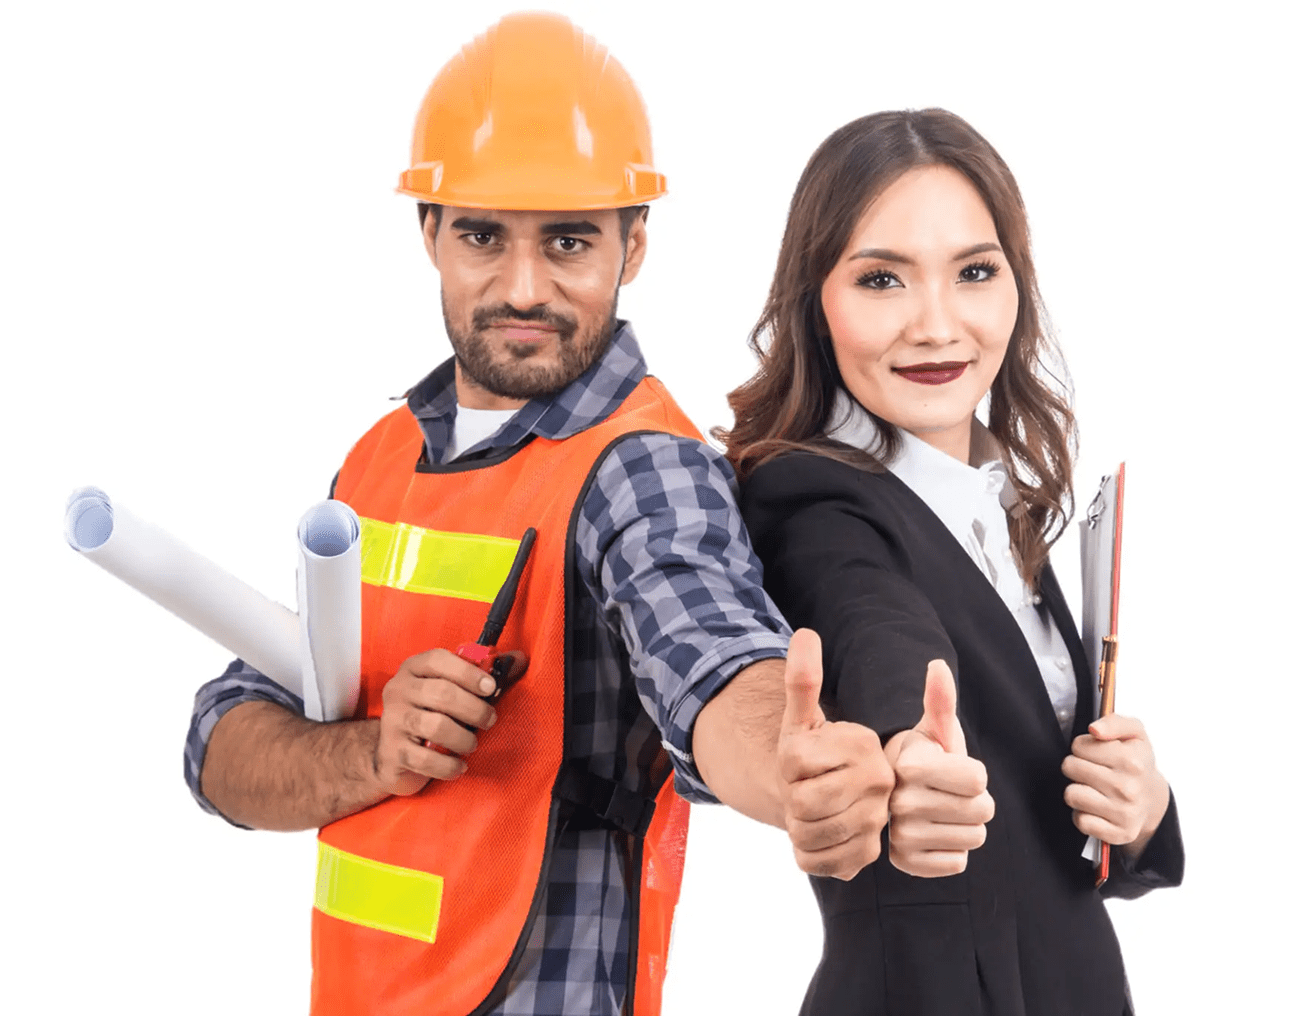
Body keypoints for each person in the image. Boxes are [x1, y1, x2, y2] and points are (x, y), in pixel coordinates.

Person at [182, 13, 894, 1016]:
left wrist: (793, 766)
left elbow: (712, 652)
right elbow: (221, 749)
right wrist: (370, 748)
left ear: (633, 243)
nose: (524, 287)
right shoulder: (380, 460)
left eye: (568, 240)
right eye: (482, 234)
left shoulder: (641, 467)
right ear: (428, 230)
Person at [718, 109, 1184, 1016]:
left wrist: (1138, 807)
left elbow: (1039, 818)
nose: (937, 324)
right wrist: (907, 756)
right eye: (883, 279)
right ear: (816, 299)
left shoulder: (985, 499)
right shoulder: (813, 500)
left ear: (1018, 286)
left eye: (974, 271)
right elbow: (874, 624)